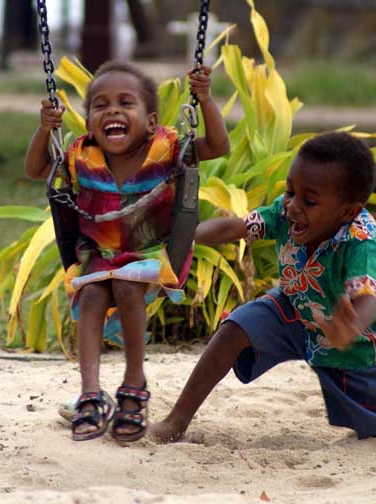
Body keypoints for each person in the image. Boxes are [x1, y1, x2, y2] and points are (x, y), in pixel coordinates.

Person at [150, 132, 376, 443]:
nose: (293, 206)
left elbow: (366, 298)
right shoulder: (285, 211)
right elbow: (235, 226)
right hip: (294, 308)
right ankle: (176, 422)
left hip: (354, 341)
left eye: (309, 200)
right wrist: (185, 234)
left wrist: (350, 326)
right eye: (290, 191)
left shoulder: (361, 242)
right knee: (235, 328)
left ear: (346, 212)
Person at [24, 61, 229, 442]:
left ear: (150, 121)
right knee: (91, 295)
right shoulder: (80, 154)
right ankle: (90, 393)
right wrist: (44, 129)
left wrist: (205, 98)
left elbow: (218, 145)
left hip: (150, 252)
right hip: (98, 254)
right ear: (88, 123)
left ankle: (134, 384)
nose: (113, 110)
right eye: (100, 105)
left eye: (125, 103)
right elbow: (36, 168)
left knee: (126, 288)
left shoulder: (167, 148)